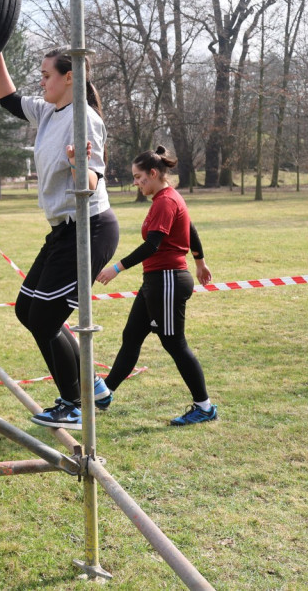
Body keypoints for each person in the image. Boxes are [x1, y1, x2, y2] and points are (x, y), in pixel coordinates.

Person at [0, 48, 119, 431]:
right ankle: (92, 386)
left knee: (45, 318)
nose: (42, 81)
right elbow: (8, 99)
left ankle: (74, 405)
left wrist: (80, 164)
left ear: (70, 79)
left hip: (90, 228)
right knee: (27, 311)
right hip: (63, 230)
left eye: (47, 75)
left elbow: (95, 180)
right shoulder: (48, 110)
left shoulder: (85, 120)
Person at [95, 146, 217, 426]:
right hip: (155, 281)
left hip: (168, 280)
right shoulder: (166, 198)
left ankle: (205, 407)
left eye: (139, 178)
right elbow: (191, 228)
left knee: (175, 344)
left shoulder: (165, 201)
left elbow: (153, 244)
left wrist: (116, 267)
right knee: (132, 335)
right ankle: (105, 393)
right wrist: (199, 261)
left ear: (154, 173)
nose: (136, 183)